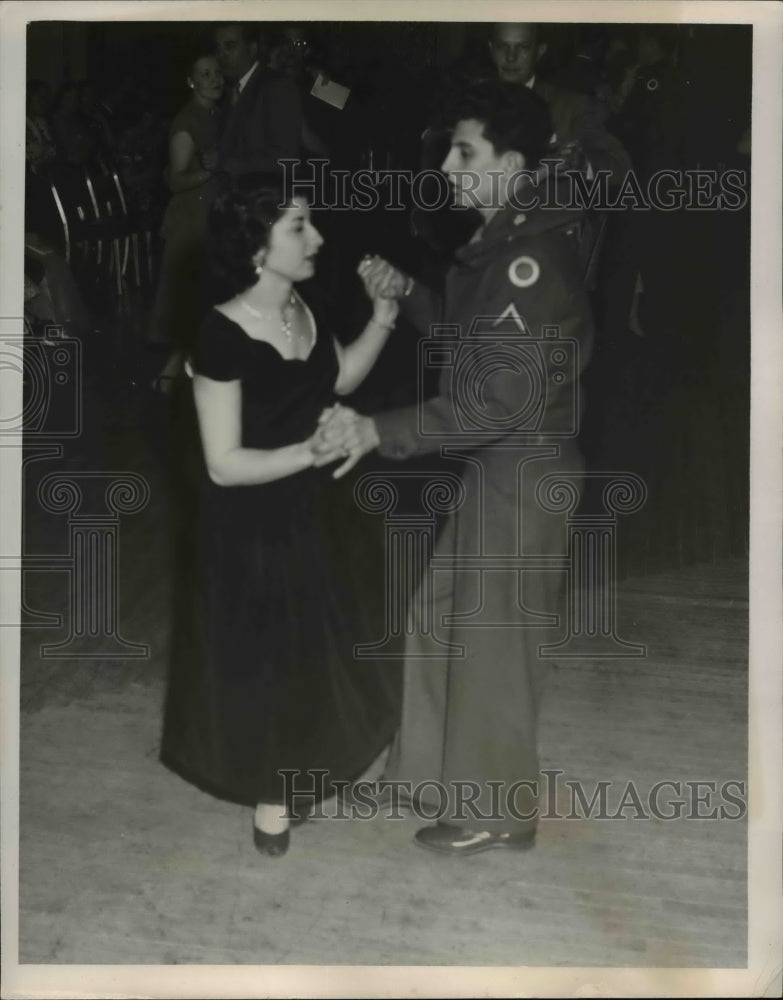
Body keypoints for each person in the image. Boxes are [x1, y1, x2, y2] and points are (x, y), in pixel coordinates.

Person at [312, 79, 594, 855]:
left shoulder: (529, 260)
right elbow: (473, 342)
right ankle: (436, 775)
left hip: (521, 467)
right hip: (501, 467)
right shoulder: (507, 241)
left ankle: (497, 810)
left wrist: (375, 430)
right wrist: (407, 297)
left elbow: (493, 402)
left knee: (494, 643)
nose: (445, 164)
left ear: (510, 161)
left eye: (463, 150)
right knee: (439, 618)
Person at [160, 178, 400, 858]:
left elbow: (339, 378)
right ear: (256, 246)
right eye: (298, 227)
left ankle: (318, 767)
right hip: (254, 523)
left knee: (326, 647)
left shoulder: (305, 302)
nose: (317, 236)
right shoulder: (220, 333)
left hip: (318, 506)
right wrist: (308, 449)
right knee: (274, 655)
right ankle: (272, 796)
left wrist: (381, 315)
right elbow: (222, 463)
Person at [148, 49, 224, 388]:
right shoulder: (187, 121)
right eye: (205, 74)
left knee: (206, 294)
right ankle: (170, 372)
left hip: (214, 211)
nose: (214, 79)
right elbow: (176, 179)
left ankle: (190, 370)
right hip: (194, 216)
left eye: (217, 72)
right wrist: (209, 172)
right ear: (191, 81)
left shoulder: (217, 114)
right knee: (192, 294)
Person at [488, 22, 630, 182]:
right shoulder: (471, 100)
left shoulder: (570, 106)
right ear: (491, 49)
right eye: (502, 46)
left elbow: (621, 167)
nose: (511, 57)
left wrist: (583, 164)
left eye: (523, 47)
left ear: (540, 51)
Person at [214, 22, 303, 180]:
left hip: (262, 199)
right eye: (218, 48)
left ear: (252, 49)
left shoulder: (276, 86)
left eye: (230, 46)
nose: (221, 55)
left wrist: (229, 164)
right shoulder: (228, 89)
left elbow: (288, 160)